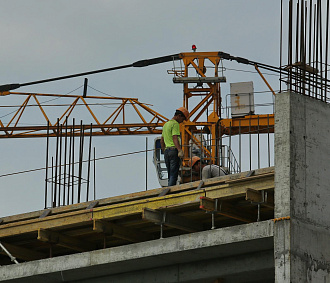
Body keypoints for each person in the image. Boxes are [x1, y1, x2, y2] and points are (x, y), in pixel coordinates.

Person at [161, 107, 189, 186]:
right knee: (174, 174)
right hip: (173, 151)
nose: (182, 122)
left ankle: (168, 188)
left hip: (167, 151)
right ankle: (171, 190)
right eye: (183, 119)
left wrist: (165, 151)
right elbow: (175, 138)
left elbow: (162, 140)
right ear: (179, 116)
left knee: (170, 174)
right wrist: (179, 150)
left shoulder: (166, 125)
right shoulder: (175, 124)